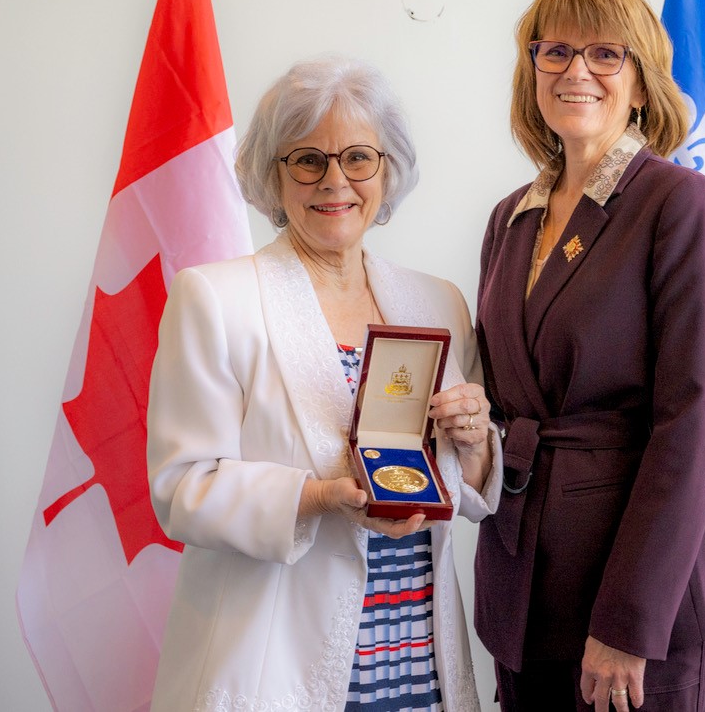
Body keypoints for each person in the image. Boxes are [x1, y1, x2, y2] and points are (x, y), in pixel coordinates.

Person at [146, 56, 501, 712]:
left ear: (386, 169)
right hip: (274, 665)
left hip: (416, 657)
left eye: (358, 157)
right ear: (272, 175)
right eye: (307, 159)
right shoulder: (216, 298)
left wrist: (475, 441)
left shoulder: (438, 302)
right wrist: (316, 496)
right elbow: (181, 487)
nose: (334, 180)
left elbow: (467, 484)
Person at [472, 0, 705, 712]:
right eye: (554, 50)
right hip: (520, 591)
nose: (574, 71)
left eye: (603, 53)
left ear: (643, 82)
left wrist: (629, 622)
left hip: (634, 605)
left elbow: (693, 424)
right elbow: (497, 400)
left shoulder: (680, 203)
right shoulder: (508, 219)